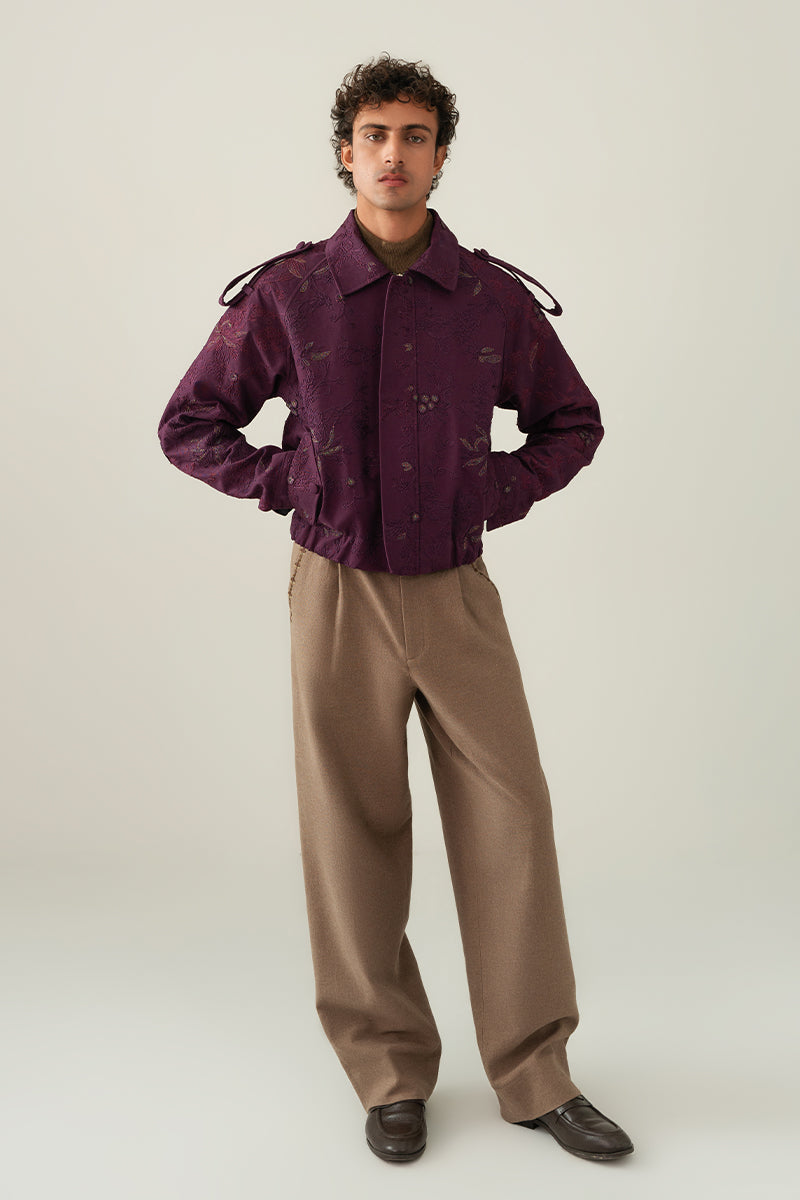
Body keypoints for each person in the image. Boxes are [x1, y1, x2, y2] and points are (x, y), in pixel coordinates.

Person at [157, 53, 633, 1165]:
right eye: (374, 134)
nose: (393, 154)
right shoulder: (289, 294)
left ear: (440, 155)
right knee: (351, 832)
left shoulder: (490, 298)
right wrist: (293, 481)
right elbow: (191, 424)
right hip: (336, 592)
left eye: (415, 135)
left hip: (456, 590)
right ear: (345, 151)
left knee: (512, 817)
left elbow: (571, 422)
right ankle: (387, 1074)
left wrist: (488, 490)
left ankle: (536, 1075)